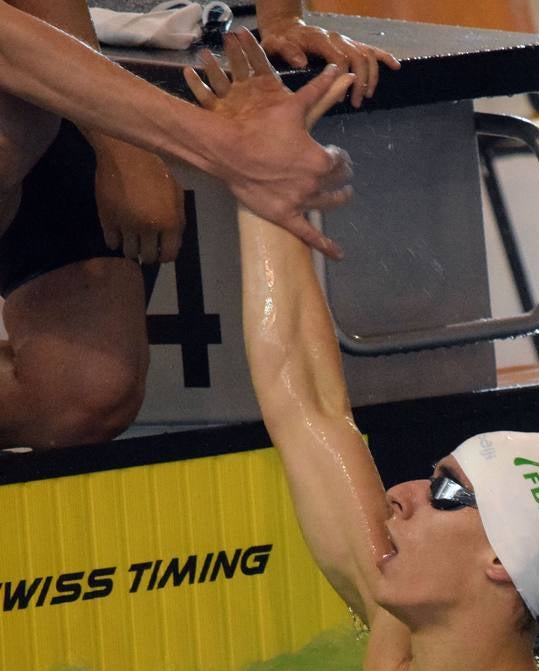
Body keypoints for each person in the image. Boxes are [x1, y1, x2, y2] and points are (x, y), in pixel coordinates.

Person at [184, 31, 539, 671]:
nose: (400, 494)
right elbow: (307, 402)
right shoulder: (397, 635)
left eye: (447, 491)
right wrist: (257, 170)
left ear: (504, 561)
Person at [0, 1, 399, 448]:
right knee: (10, 129)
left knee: (83, 394)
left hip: (60, 64)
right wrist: (167, 148)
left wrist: (284, 19)